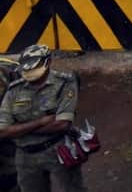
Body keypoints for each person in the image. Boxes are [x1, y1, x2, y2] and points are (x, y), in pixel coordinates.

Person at [0, 44, 87, 192]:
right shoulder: (13, 81)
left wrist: (19, 128)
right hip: (22, 151)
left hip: (50, 149)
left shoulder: (63, 82)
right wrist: (40, 122)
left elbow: (60, 122)